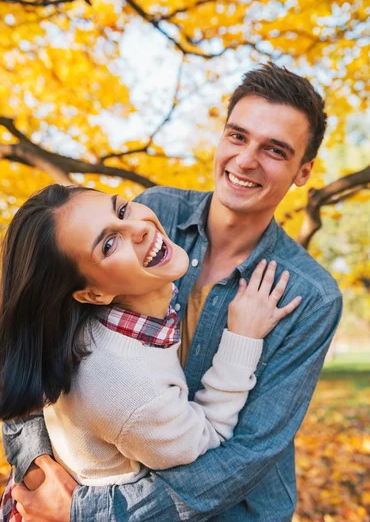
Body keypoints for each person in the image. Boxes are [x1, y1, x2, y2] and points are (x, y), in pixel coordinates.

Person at [3, 63, 342, 522]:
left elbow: (250, 452)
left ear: (303, 172)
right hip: (102, 476)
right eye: (237, 136)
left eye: (275, 150)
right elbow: (38, 325)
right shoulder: (151, 214)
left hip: (230, 510)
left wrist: (92, 512)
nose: (245, 160)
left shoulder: (310, 294)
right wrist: (37, 463)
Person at [0, 185, 299, 516]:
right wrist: (242, 337)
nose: (140, 228)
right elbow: (207, 441)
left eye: (123, 210)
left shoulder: (95, 325)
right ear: (92, 293)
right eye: (109, 244)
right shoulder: (129, 388)